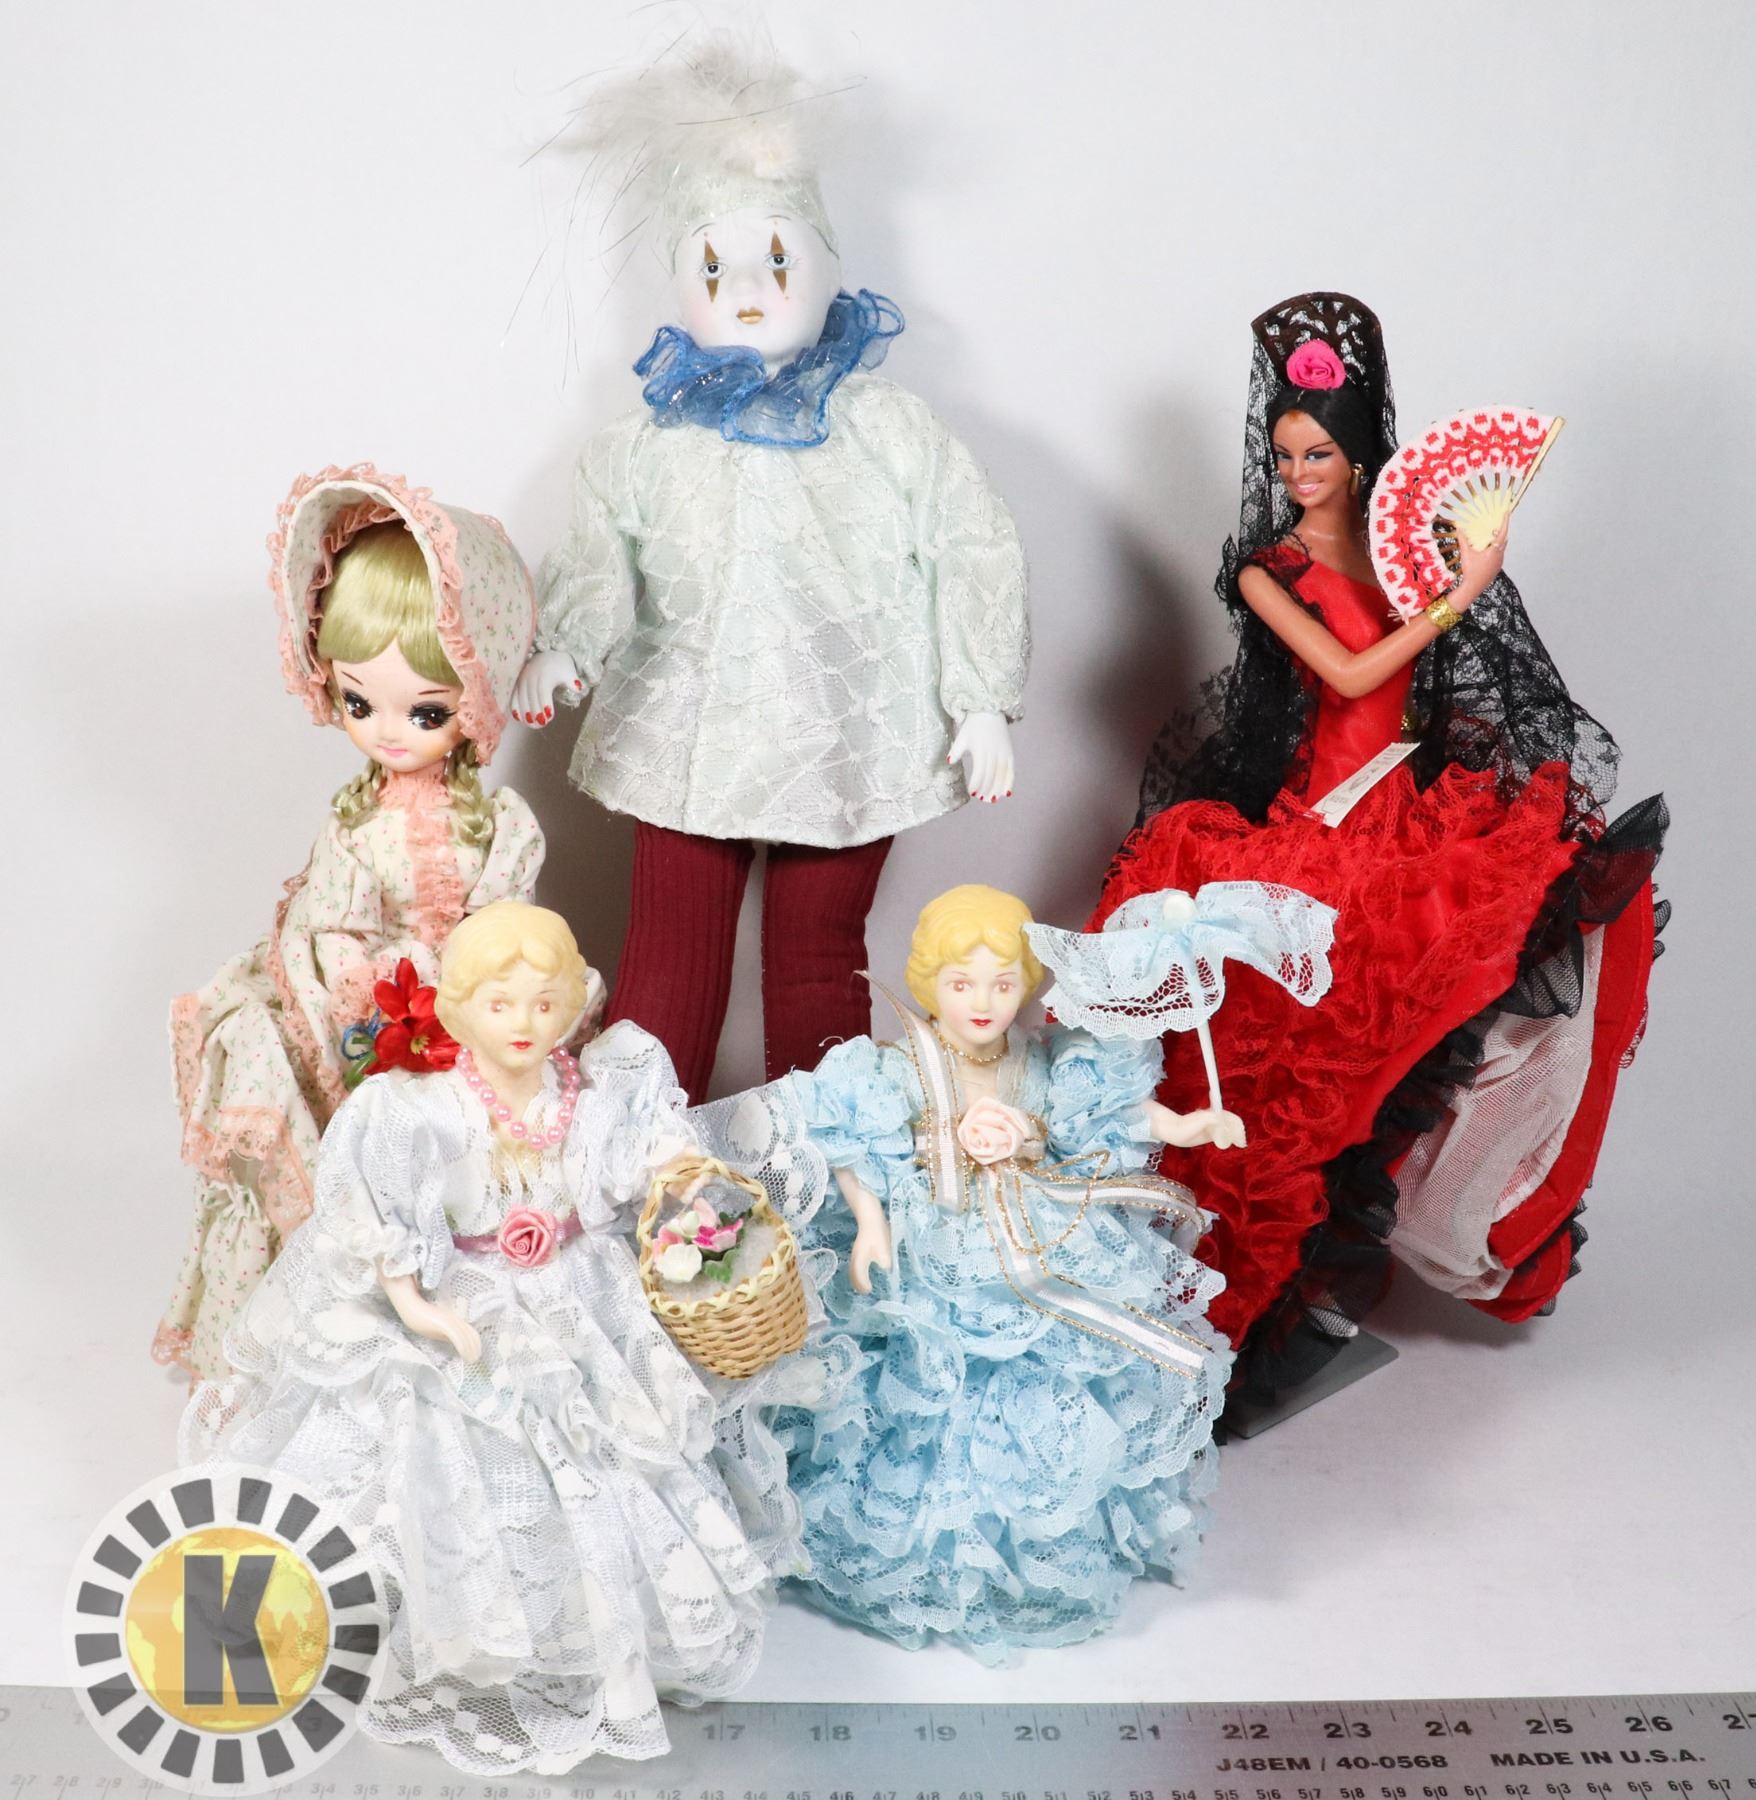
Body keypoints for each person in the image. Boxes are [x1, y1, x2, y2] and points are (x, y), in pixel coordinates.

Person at [1094, 293, 1666, 1401]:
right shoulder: (1266, 570)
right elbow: (1350, 675)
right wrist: (1458, 596)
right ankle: (1265, 1279)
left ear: (1359, 459)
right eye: (1284, 455)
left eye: (1316, 454)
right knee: (1308, 1035)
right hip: (1326, 816)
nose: (1297, 473)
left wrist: (1464, 576)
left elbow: (1441, 684)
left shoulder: (1402, 544)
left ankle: (1469, 1215)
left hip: (1406, 801)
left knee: (1493, 951)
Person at [181, 902, 846, 1774]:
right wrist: (419, 1307)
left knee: (606, 1457)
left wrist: (682, 1177)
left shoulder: (592, 1092)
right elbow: (373, 1214)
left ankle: (587, 1633)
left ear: (573, 1003)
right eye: (500, 1005)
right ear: (459, 1009)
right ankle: (458, 1627)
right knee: (451, 1449)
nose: (524, 1023)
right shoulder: (418, 1108)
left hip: (581, 1294)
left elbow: (647, 1158)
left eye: (544, 1002)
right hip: (469, 1294)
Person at [513, 36, 1029, 1100]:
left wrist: (979, 695)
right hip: (688, 728)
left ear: (829, 269)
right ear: (680, 284)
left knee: (817, 960)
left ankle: (828, 1163)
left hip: (849, 733)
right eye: (715, 269)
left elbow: (971, 543)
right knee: (670, 957)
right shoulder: (643, 446)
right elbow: (601, 556)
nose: (748, 291)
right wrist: (566, 646)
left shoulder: (889, 428)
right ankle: (645, 1159)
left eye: (779, 263)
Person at [774, 884, 1235, 1661]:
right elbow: (853, 1141)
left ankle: (1035, 1544)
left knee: (1049, 1369)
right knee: (930, 1380)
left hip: (1038, 1226)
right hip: (934, 1240)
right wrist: (871, 1223)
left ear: (1027, 982)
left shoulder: (1043, 1060)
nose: (983, 1002)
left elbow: (1110, 1114)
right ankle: (938, 1555)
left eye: (1002, 983)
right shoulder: (897, 1065)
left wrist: (1187, 1124)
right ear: (929, 983)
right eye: (962, 984)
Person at [154, 467, 544, 1380]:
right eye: (360, 703)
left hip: (475, 1008)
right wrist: (380, 987)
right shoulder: (356, 827)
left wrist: (465, 987)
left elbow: (508, 926)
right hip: (374, 1015)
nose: (390, 732)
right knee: (275, 1055)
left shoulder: (500, 825)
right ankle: (321, 1316)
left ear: (476, 698)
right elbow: (333, 932)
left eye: (427, 710)